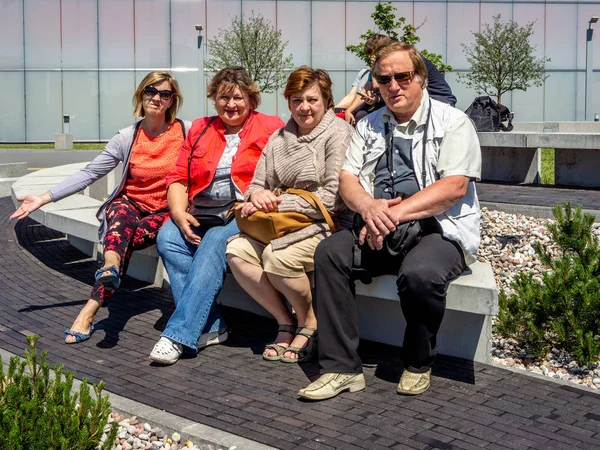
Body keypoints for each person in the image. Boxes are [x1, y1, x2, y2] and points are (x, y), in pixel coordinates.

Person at [298, 41, 481, 400]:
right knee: (330, 253)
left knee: (420, 275)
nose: (393, 85)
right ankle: (340, 367)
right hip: (378, 224)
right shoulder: (367, 124)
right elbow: (348, 179)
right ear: (376, 83)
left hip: (438, 227)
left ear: (421, 78)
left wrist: (391, 214)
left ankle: (417, 362)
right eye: (384, 79)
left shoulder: (454, 122)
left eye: (402, 76)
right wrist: (368, 209)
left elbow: (454, 186)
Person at [10, 71, 190, 344]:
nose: (156, 98)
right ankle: (110, 267)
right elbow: (90, 172)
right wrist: (45, 197)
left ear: (172, 100)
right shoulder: (128, 137)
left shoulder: (186, 131)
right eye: (150, 91)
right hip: (130, 203)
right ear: (141, 95)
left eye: (164, 94)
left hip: (164, 211)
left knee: (123, 239)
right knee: (119, 217)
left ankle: (90, 309)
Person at [149, 67, 284, 365]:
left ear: (251, 99)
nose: (231, 104)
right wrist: (178, 213)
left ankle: (178, 334)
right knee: (168, 236)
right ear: (214, 99)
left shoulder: (271, 127)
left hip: (245, 212)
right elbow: (178, 178)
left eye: (238, 97)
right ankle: (212, 326)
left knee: (213, 242)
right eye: (224, 97)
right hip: (203, 210)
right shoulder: (200, 128)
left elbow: (287, 168)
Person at [226, 66, 354, 363]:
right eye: (296, 100)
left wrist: (280, 203)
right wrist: (256, 195)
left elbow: (335, 197)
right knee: (236, 250)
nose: (304, 108)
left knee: (277, 257)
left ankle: (310, 321)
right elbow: (258, 183)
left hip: (325, 224)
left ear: (326, 101)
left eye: (312, 100)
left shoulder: (338, 134)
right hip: (279, 225)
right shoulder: (279, 137)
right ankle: (285, 319)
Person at [343, 34, 457, 126]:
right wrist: (350, 110)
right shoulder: (388, 67)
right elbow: (368, 87)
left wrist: (375, 67)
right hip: (415, 102)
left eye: (375, 56)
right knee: (363, 115)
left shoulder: (409, 59)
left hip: (438, 100)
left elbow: (377, 85)